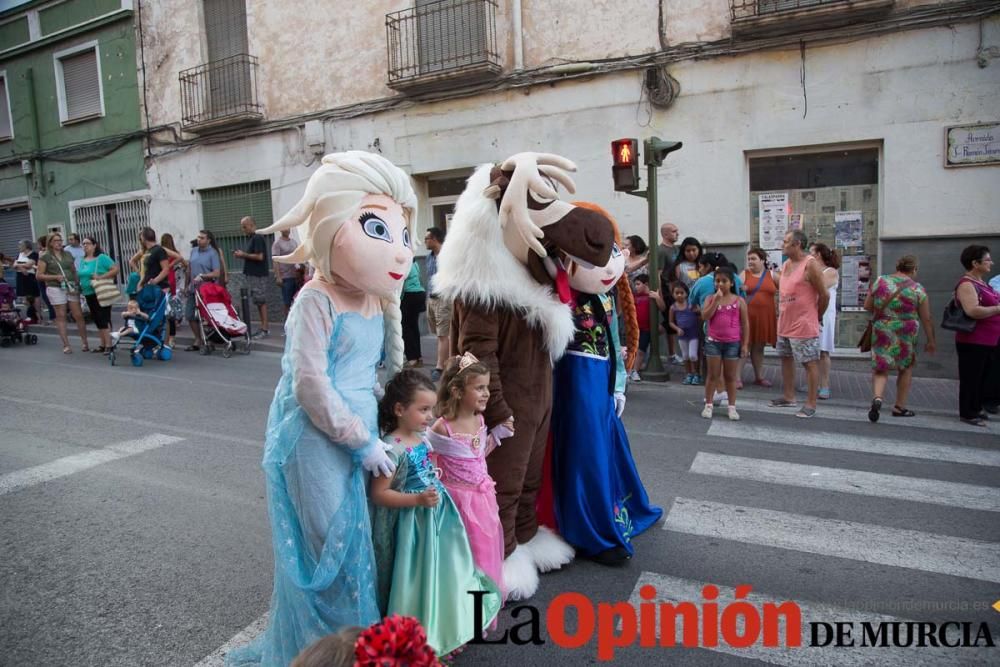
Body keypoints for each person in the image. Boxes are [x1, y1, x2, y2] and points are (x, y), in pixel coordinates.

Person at [226, 151, 416, 667]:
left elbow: (365, 377)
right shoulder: (315, 299)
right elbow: (310, 384)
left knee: (358, 544)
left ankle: (357, 647)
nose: (400, 250)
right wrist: (360, 439)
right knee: (329, 548)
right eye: (379, 228)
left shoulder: (375, 300)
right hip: (314, 438)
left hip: (359, 437)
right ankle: (326, 655)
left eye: (402, 233)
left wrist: (389, 422)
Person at [543, 205, 661, 565]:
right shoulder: (559, 296)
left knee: (606, 450)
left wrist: (619, 384)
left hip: (602, 380)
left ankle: (612, 514)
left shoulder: (604, 297)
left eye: (612, 252)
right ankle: (591, 530)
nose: (609, 265)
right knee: (585, 454)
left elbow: (612, 339)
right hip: (575, 384)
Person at [371, 370, 500, 655]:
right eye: (424, 409)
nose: (430, 416)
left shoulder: (420, 437)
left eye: (431, 408)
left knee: (444, 575)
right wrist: (417, 499)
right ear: (399, 409)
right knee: (417, 579)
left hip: (437, 519)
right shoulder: (391, 448)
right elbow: (379, 494)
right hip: (414, 527)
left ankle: (445, 629)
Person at [426, 355, 505, 602]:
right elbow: (427, 460)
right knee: (459, 556)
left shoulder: (479, 420)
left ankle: (481, 607)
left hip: (482, 501)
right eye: (479, 388)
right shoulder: (442, 427)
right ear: (457, 391)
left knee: (483, 554)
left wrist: (498, 435)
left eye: (487, 388)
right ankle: (459, 610)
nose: (486, 394)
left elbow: (476, 457)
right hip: (456, 504)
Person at [863, 255, 935, 422]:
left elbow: (867, 305)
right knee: (905, 368)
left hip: (883, 327)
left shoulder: (881, 281)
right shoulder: (918, 289)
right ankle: (899, 406)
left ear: (898, 266)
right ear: (914, 270)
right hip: (906, 330)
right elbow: (926, 318)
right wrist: (931, 340)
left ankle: (878, 398)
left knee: (881, 367)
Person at [770, 230, 829, 419]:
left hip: (803, 323)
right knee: (786, 358)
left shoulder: (810, 264)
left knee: (809, 363)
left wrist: (816, 316)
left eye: (786, 242)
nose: (782, 245)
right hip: (785, 322)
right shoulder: (786, 264)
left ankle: (811, 403)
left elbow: (824, 295)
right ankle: (789, 396)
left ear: (797, 244)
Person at [953, 245, 1000, 426]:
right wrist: (997, 308)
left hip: (988, 340)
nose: (991, 263)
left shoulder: (982, 283)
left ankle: (976, 408)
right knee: (971, 377)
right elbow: (972, 310)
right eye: (987, 260)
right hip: (973, 340)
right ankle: (968, 412)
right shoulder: (967, 284)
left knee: (982, 376)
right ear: (975, 263)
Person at [700, 267, 749, 421]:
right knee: (712, 375)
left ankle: (732, 407)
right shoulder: (710, 298)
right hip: (713, 342)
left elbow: (745, 324)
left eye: (724, 281)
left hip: (732, 343)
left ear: (731, 283)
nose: (720, 284)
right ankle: (708, 404)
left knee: (730, 376)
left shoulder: (739, 300)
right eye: (717, 281)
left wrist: (745, 344)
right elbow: (705, 316)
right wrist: (715, 300)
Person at [35, 232, 90, 353]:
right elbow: (39, 275)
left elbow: (74, 271)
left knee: (78, 315)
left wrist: (77, 284)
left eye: (60, 240)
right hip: (55, 287)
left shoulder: (68, 254)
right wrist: (54, 277)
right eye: (55, 240)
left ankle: (85, 342)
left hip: (70, 286)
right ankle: (66, 345)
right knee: (61, 316)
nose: (59, 242)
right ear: (50, 243)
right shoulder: (45, 257)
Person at [740, 247, 779, 387]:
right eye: (749, 259)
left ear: (762, 260)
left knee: (759, 347)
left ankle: (759, 377)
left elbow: (787, 290)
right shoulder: (744, 275)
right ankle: (737, 378)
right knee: (746, 345)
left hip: (765, 317)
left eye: (753, 259)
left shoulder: (773, 275)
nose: (750, 261)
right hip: (748, 317)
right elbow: (736, 293)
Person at [78, 236, 119, 353]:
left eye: (88, 243)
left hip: (101, 291)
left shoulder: (101, 258)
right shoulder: (83, 260)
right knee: (96, 318)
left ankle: (109, 345)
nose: (85, 246)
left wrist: (101, 277)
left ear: (94, 245)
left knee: (103, 318)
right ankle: (103, 344)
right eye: (83, 244)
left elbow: (115, 269)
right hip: (88, 292)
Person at [184, 230, 222, 352]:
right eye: (198, 237)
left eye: (202, 238)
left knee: (206, 316)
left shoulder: (213, 253)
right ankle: (198, 339)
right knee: (190, 314)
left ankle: (209, 339)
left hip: (206, 289)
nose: (199, 239)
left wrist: (203, 276)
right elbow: (189, 270)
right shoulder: (193, 251)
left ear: (208, 240)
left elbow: (217, 272)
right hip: (193, 288)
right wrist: (186, 285)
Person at [811, 243, 840, 399]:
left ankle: (825, 385)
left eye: (811, 253)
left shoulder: (831, 272)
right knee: (811, 351)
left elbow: (818, 286)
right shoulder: (814, 271)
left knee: (823, 350)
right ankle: (814, 382)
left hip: (824, 314)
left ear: (818, 255)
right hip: (810, 312)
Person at [234, 216, 271, 338]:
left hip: (258, 275)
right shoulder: (252, 239)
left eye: (244, 226)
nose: (243, 229)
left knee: (261, 301)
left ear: (252, 225)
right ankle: (263, 327)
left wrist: (243, 254)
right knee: (258, 301)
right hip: (253, 275)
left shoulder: (258, 237)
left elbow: (260, 257)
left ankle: (265, 329)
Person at [423, 227, 450, 381]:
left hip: (444, 299)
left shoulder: (447, 256)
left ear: (434, 239)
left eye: (427, 238)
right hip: (431, 299)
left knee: (443, 334)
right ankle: (451, 360)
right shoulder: (428, 258)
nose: (425, 241)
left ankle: (440, 367)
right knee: (439, 333)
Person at [629, 274, 664, 382]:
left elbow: (662, 307)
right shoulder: (635, 297)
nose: (636, 287)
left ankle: (635, 371)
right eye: (635, 284)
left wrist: (657, 297)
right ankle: (630, 370)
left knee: (640, 351)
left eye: (638, 284)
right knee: (633, 351)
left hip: (646, 329)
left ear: (646, 284)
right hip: (635, 329)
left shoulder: (651, 296)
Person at [657, 222, 680, 363]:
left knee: (674, 320)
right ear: (665, 234)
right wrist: (660, 294)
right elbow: (658, 274)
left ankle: (672, 354)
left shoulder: (676, 249)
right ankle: (649, 335)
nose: (677, 233)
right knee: (670, 320)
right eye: (673, 231)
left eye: (676, 231)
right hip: (667, 290)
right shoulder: (661, 251)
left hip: (677, 289)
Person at [669, 282, 701, 384]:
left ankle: (696, 373)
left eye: (681, 293)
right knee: (685, 355)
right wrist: (677, 329)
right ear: (673, 294)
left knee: (693, 355)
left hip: (693, 333)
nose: (679, 295)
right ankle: (689, 374)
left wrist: (698, 312)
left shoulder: (691, 304)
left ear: (686, 293)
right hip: (682, 335)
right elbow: (671, 322)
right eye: (676, 293)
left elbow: (699, 314)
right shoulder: (673, 307)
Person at [160, 233, 187, 348]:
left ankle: (166, 337)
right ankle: (172, 339)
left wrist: (168, 266)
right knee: (171, 310)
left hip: (164, 281)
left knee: (165, 311)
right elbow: (185, 264)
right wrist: (172, 266)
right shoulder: (175, 253)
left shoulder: (161, 252)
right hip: (172, 281)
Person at [400, 260, 426, 368]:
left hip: (409, 295)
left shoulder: (404, 263)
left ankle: (412, 359)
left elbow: (401, 280)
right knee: (414, 327)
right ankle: (418, 357)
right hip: (419, 294)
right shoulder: (415, 263)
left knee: (406, 328)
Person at [272, 229, 299, 318]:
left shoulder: (294, 242)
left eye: (288, 227)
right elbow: (275, 260)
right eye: (284, 227)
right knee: (287, 302)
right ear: (280, 230)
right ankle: (287, 325)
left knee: (296, 301)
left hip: (295, 276)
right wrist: (278, 276)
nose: (287, 229)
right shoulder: (277, 243)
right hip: (285, 277)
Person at [13, 239, 40, 323]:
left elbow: (29, 265)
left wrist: (19, 265)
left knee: (34, 296)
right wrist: (21, 267)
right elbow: (14, 265)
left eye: (20, 245)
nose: (18, 247)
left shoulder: (34, 254)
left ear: (26, 246)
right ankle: (30, 315)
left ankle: (38, 316)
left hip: (30, 277)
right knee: (25, 297)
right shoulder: (19, 254)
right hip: (21, 277)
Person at [36, 235, 56, 322]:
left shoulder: (42, 253)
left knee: (47, 297)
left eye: (39, 244)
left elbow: (40, 266)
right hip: (47, 276)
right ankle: (54, 316)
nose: (38, 246)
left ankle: (53, 316)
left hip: (44, 277)